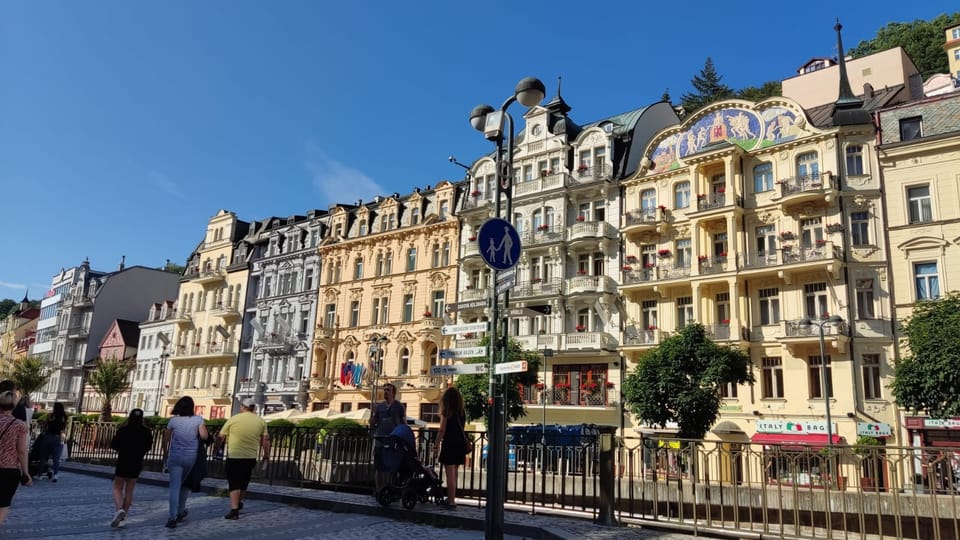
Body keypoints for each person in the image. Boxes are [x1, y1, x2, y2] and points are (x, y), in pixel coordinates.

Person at [216, 398, 269, 520]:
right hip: (250, 457)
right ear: (253, 408)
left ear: (242, 407)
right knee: (244, 482)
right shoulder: (261, 421)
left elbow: (221, 436)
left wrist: (217, 448)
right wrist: (266, 454)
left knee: (234, 482)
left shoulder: (234, 419)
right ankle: (238, 503)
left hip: (234, 455)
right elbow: (265, 440)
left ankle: (234, 510)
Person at [163, 396, 207, 529]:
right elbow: (204, 436)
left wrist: (165, 454)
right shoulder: (198, 419)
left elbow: (166, 440)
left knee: (174, 487)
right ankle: (181, 511)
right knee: (185, 485)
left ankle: (172, 517)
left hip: (175, 456)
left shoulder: (173, 421)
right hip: (190, 457)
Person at [109, 408, 154, 527]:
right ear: (142, 418)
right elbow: (149, 446)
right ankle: (123, 516)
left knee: (117, 487)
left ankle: (119, 509)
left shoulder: (123, 430)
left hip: (123, 460)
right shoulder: (146, 431)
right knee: (130, 490)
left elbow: (114, 444)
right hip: (137, 462)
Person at [0, 390, 31, 524]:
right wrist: (26, 473)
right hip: (9, 470)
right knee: (3, 504)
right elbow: (22, 451)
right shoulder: (19, 425)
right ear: (14, 405)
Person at [434, 386, 467, 509]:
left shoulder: (446, 410)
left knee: (450, 474)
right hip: (460, 444)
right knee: (455, 473)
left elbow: (442, 430)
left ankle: (451, 501)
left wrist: (436, 445)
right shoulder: (462, 412)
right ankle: (452, 498)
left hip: (450, 443)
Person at [370, 383, 404, 495]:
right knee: (379, 467)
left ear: (393, 393)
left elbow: (403, 422)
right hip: (380, 439)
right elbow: (372, 423)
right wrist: (374, 412)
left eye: (388, 390)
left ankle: (389, 490)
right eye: (384, 390)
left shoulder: (399, 406)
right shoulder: (379, 407)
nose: (385, 392)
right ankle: (379, 490)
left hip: (393, 440)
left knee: (390, 467)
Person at [36, 402, 67, 482]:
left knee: (43, 457)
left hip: (48, 437)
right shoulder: (64, 417)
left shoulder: (50, 416)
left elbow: (45, 425)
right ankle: (55, 475)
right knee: (56, 459)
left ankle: (39, 475)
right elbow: (63, 428)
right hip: (58, 438)